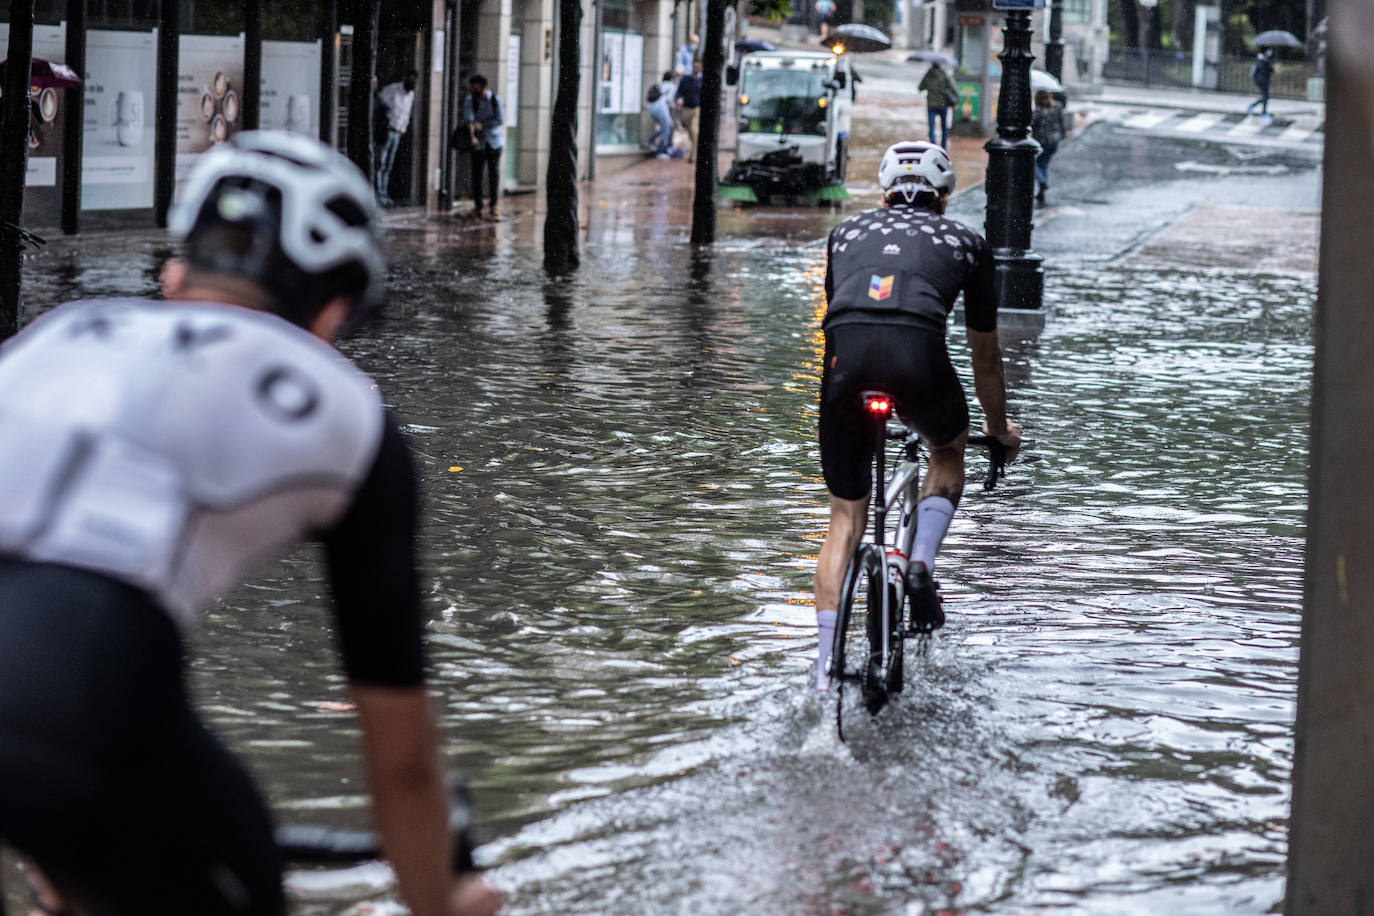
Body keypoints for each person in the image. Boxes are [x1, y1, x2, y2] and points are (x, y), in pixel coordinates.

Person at [0, 131, 504, 916]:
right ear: (332, 310)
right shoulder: (347, 410)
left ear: (174, 276)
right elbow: (402, 757)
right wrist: (443, 898)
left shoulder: (56, 337)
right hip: (75, 706)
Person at [812, 140, 1021, 691]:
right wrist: (998, 431)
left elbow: (843, 316)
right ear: (945, 199)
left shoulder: (845, 234)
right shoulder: (969, 243)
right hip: (920, 363)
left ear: (884, 199)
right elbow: (985, 357)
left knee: (843, 520)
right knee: (947, 450)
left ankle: (823, 667)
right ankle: (919, 562)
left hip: (845, 368)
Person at [461, 74, 505, 219]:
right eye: (473, 86)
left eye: (477, 86)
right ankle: (478, 205)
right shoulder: (470, 100)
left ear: (484, 87)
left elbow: (500, 119)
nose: (475, 89)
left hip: (493, 142)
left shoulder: (494, 99)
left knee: (493, 173)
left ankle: (494, 204)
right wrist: (472, 137)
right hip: (478, 142)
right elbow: (469, 120)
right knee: (476, 174)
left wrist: (484, 125)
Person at [375, 70, 419, 206]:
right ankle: (378, 193)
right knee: (380, 163)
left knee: (388, 164)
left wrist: (402, 130)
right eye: (411, 79)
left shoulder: (411, 94)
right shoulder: (392, 90)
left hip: (397, 132)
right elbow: (380, 105)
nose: (413, 83)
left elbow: (406, 114)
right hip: (387, 130)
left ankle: (384, 193)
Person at [1031, 89, 1065, 205]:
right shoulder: (1057, 108)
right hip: (1054, 141)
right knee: (1043, 163)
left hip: (1041, 142)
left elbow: (1031, 125)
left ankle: (1042, 181)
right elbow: (1061, 124)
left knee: (1032, 163)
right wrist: (1062, 135)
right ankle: (1042, 188)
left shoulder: (1038, 112)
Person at [917, 62, 958, 150]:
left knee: (932, 128)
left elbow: (920, 88)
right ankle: (944, 148)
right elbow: (953, 88)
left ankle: (933, 147)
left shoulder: (928, 75)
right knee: (944, 127)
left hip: (931, 106)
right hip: (943, 105)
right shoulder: (944, 74)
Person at [676, 58, 704, 164]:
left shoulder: (701, 81)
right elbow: (679, 92)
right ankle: (695, 147)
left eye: (698, 66)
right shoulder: (685, 79)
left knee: (694, 130)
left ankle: (693, 156)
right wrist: (679, 98)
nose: (696, 68)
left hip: (696, 108)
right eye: (695, 66)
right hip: (686, 108)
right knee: (689, 132)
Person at [646, 70, 677, 157]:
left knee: (664, 128)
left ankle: (650, 142)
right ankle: (660, 151)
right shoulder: (671, 86)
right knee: (666, 130)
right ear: (671, 79)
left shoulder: (660, 84)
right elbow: (668, 101)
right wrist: (674, 105)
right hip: (660, 108)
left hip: (651, 108)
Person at [1247, 48, 1274, 118]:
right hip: (1261, 81)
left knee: (1265, 97)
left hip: (1264, 81)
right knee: (1265, 96)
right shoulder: (1261, 61)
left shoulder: (1264, 60)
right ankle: (1262, 112)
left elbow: (1269, 71)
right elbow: (1264, 71)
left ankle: (1255, 108)